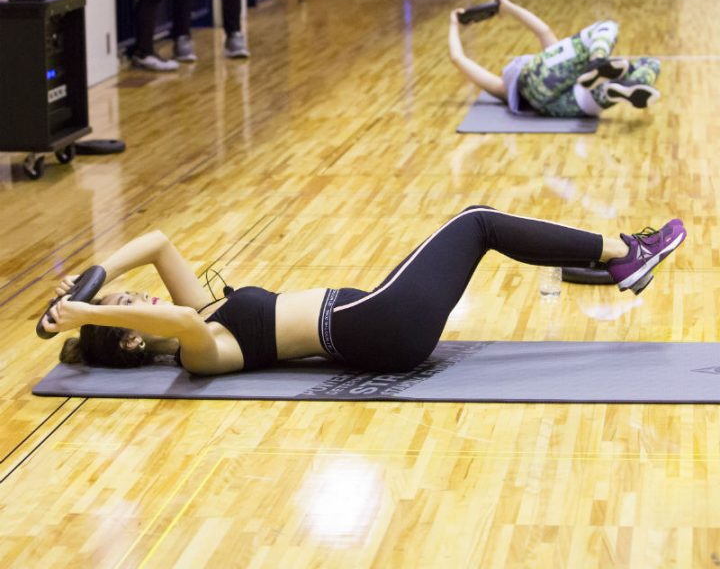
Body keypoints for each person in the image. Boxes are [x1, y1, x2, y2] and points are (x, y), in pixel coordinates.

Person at [43, 208, 686, 375]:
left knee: (473, 230)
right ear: (132, 336)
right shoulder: (195, 351)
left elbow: (155, 242)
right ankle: (623, 255)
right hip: (381, 325)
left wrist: (96, 279)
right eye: (130, 309)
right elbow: (179, 316)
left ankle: (608, 264)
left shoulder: (206, 317)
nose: (144, 299)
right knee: (476, 223)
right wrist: (82, 314)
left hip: (376, 313)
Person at [448, 0, 662, 118]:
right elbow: (543, 30)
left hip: (555, 106)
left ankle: (616, 88)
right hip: (559, 93)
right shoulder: (546, 64)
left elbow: (458, 58)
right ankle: (599, 61)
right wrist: (509, 8)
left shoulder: (504, 88)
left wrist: (454, 25)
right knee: (607, 27)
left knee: (647, 64)